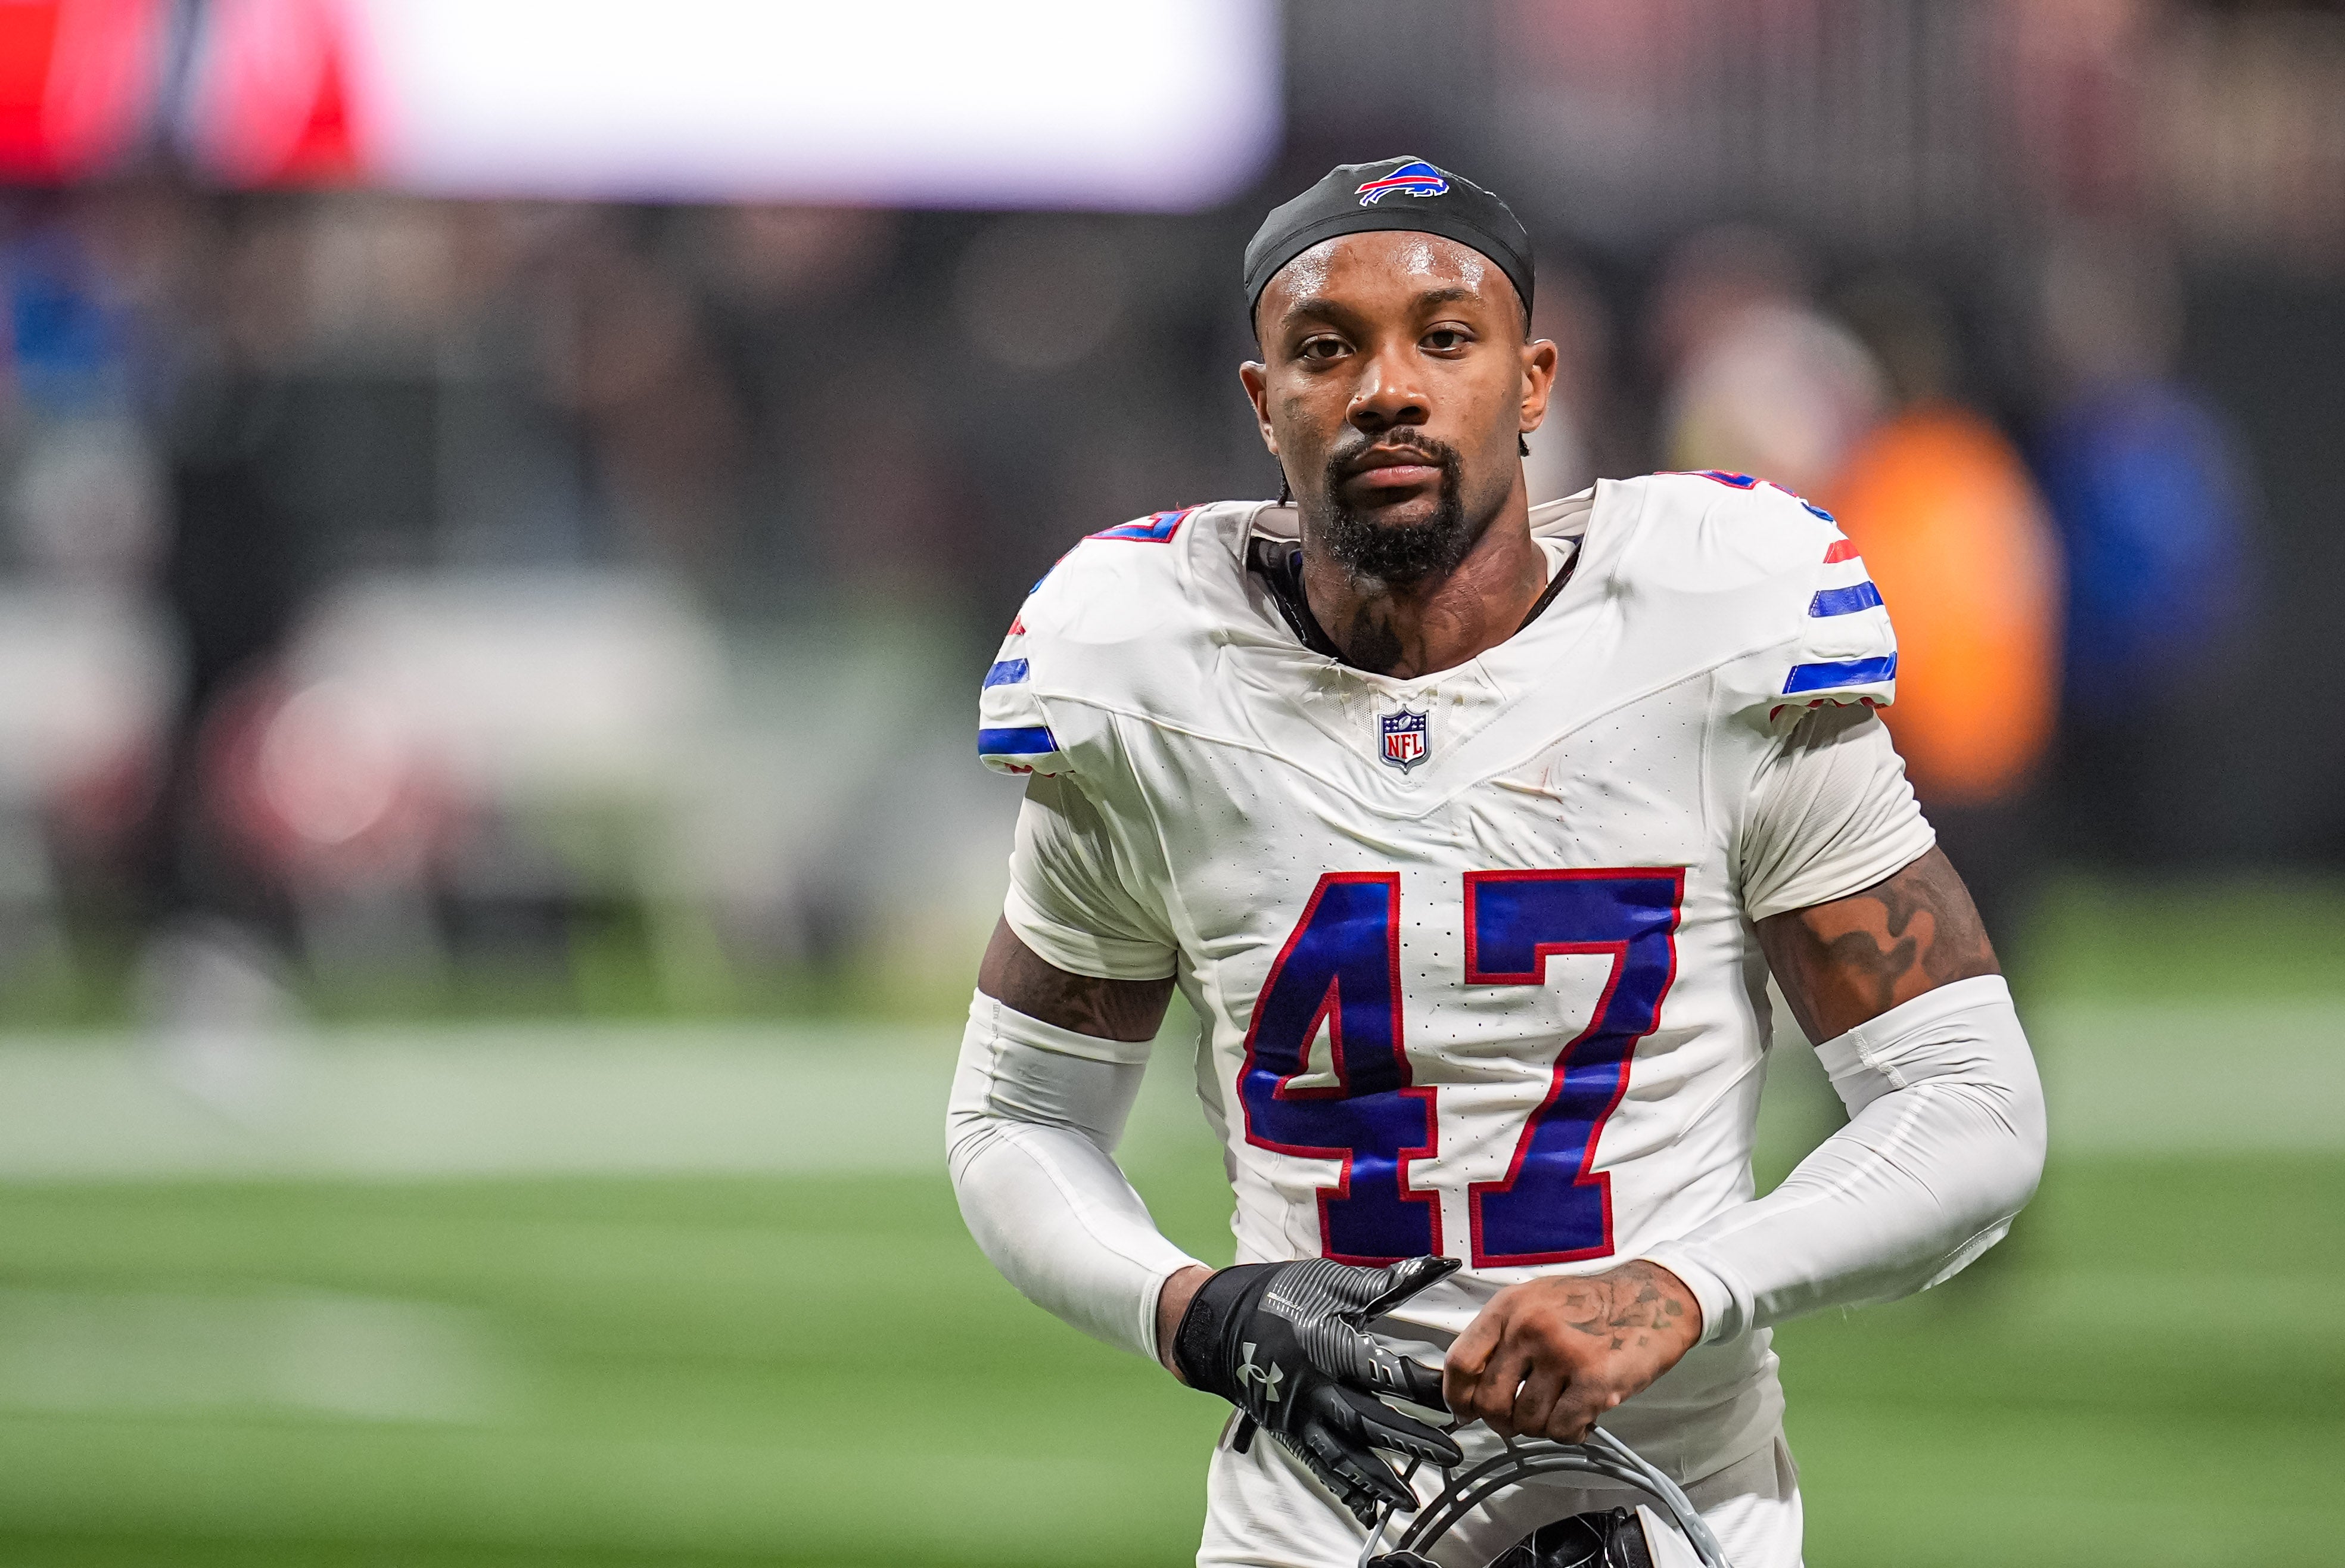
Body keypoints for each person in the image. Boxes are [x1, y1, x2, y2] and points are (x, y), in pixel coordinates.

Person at [946, 158, 2046, 1568]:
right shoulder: (1149, 667)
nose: (1386, 389)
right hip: (1307, 1528)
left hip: (1670, 1510)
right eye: (1326, 348)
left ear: (1532, 384)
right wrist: (1193, 1306)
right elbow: (1015, 1122)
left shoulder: (1709, 628)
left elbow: (1970, 1105)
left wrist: (1682, 1287)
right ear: (1261, 398)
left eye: (1443, 338)